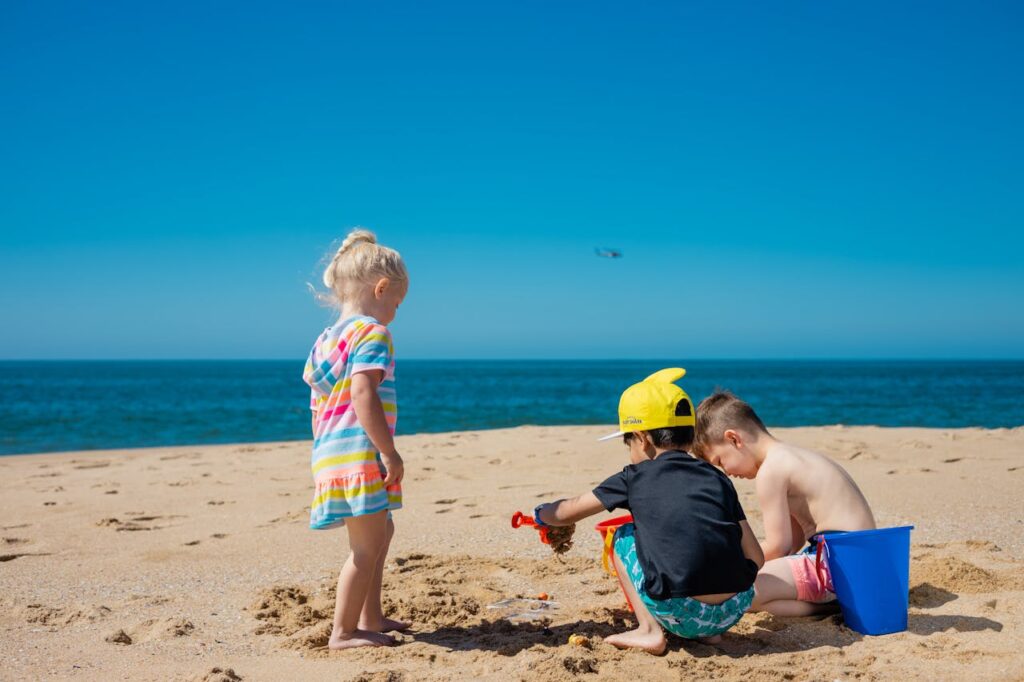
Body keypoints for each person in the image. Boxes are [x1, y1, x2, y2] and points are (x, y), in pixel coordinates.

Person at [533, 369, 763, 654]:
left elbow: (568, 512)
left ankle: (650, 631)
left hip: (682, 611)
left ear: (641, 439)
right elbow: (756, 556)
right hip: (734, 608)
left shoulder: (634, 477)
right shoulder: (718, 478)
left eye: (628, 442)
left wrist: (542, 514)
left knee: (623, 535)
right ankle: (709, 634)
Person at [302, 228, 409, 649]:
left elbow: (317, 407)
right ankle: (343, 632)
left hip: (330, 454)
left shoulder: (324, 341)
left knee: (382, 528)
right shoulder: (372, 333)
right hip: (360, 454)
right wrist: (389, 451)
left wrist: (323, 458)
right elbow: (363, 393)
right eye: (396, 303)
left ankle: (372, 616)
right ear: (381, 288)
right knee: (365, 549)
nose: (395, 313)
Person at [693, 391, 876, 616]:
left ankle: (832, 608)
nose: (727, 473)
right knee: (757, 585)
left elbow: (778, 545)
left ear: (734, 439)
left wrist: (732, 568)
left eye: (720, 461)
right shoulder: (793, 457)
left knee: (743, 594)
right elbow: (794, 539)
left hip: (838, 566)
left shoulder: (771, 472)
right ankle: (834, 605)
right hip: (864, 564)